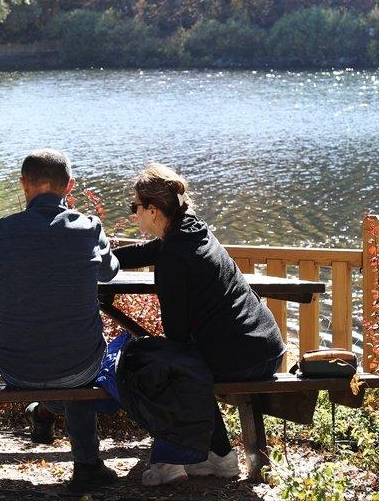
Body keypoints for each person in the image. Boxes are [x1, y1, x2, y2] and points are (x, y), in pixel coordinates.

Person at [0, 149, 121, 494]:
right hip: (79, 366)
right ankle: (87, 464)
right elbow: (111, 272)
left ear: (23, 185)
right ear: (69, 187)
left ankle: (45, 411)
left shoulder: (1, 231)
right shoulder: (89, 228)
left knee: (65, 360)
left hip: (17, 367)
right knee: (79, 364)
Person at [114, 163, 286, 486]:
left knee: (158, 363)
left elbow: (177, 336)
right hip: (265, 344)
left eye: (134, 207)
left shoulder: (173, 260)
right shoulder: (190, 228)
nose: (133, 213)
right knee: (183, 359)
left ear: (153, 210)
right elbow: (159, 249)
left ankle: (172, 461)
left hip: (243, 357)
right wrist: (112, 258)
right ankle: (219, 457)